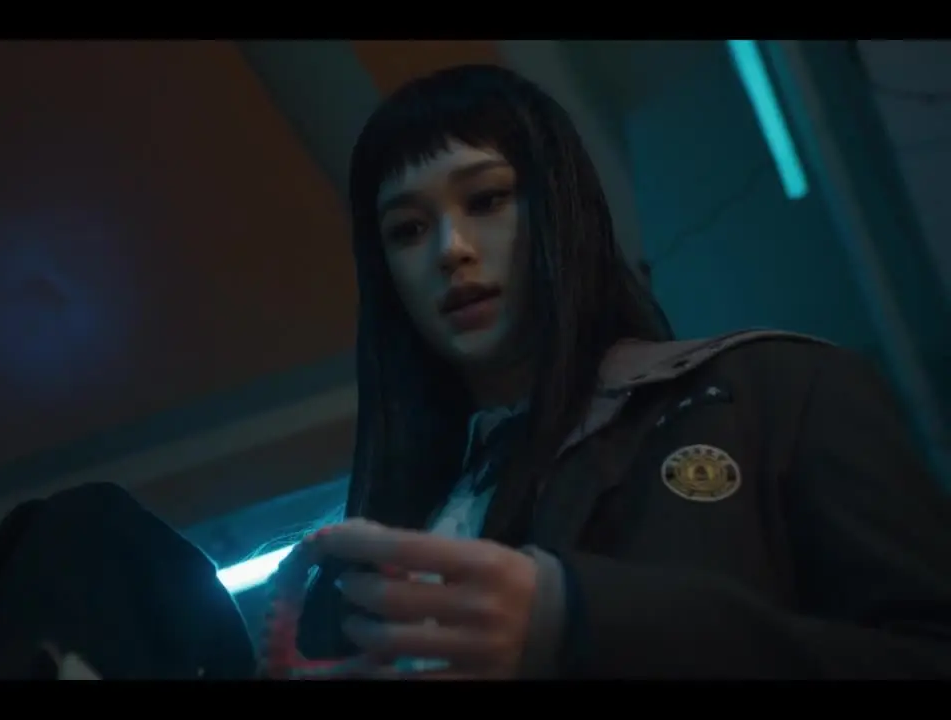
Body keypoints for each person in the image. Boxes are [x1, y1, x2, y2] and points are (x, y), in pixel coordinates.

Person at [292, 63, 951, 679]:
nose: (451, 250)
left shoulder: (776, 390)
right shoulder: (395, 528)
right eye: (407, 230)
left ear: (561, 208)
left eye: (488, 199)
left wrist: (578, 620)